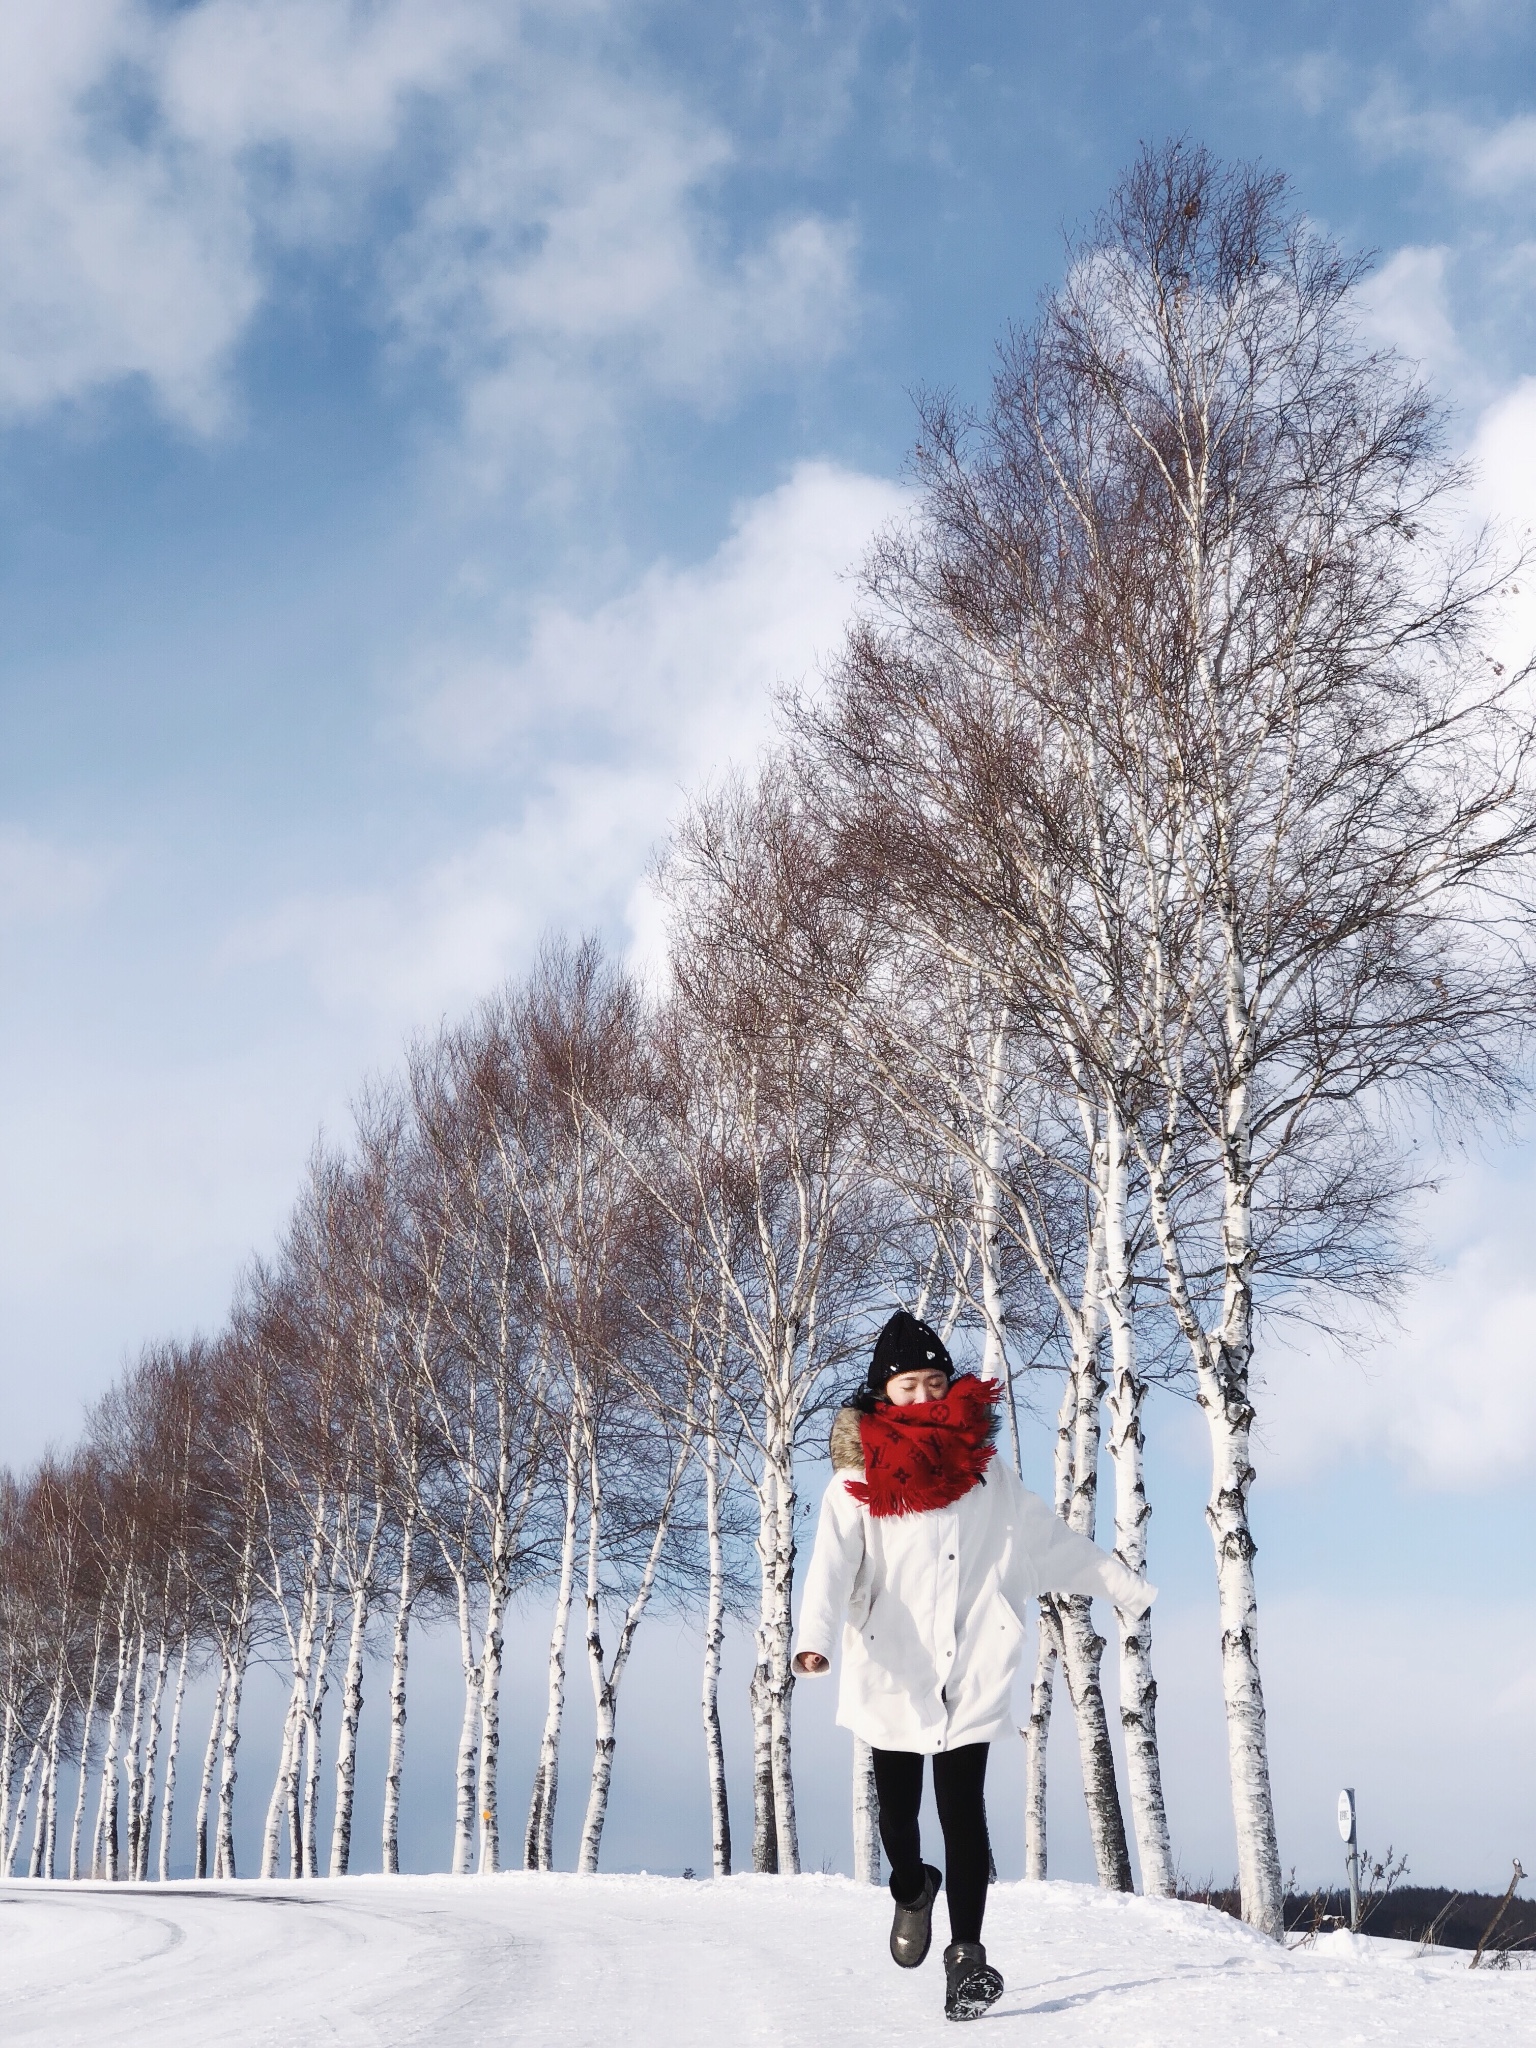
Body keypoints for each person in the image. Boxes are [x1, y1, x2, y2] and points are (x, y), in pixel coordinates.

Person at [793, 1309, 1155, 2022]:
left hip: (972, 1663)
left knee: (963, 1811)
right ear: (883, 1394)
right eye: (909, 1387)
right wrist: (816, 1640)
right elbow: (829, 1567)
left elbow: (1049, 1541)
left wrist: (1122, 1585)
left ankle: (967, 1960)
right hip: (892, 1666)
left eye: (935, 1382)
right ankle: (910, 1886)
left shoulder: (985, 1478)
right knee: (898, 1815)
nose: (925, 1398)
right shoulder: (854, 1483)